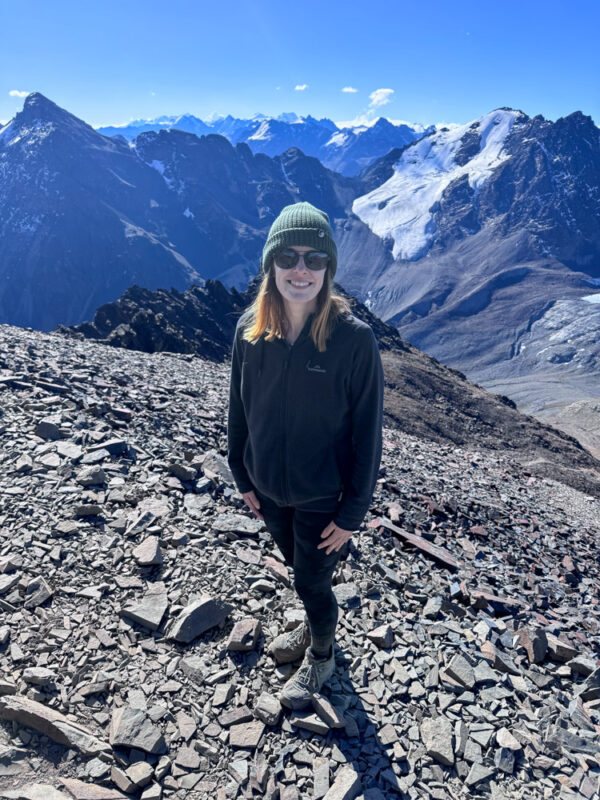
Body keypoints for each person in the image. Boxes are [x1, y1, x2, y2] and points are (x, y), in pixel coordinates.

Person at [227, 201, 384, 710]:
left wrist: (352, 512)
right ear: (271, 264)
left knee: (313, 582)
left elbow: (368, 436)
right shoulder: (251, 331)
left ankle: (322, 656)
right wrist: (241, 472)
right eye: (289, 257)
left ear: (328, 269)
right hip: (267, 489)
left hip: (323, 497)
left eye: (315, 259)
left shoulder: (354, 342)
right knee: (299, 569)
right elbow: (239, 407)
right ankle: (317, 630)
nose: (301, 270)